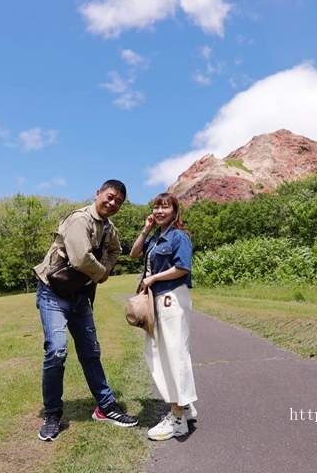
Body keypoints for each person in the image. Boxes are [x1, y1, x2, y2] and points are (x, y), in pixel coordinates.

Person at [32, 179, 138, 441]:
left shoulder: (108, 228)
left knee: (91, 352)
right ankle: (53, 413)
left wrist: (108, 267)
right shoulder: (80, 219)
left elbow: (116, 249)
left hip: (80, 297)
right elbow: (79, 259)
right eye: (110, 197)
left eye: (119, 202)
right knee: (56, 351)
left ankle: (106, 407)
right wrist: (102, 273)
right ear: (98, 193)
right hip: (54, 294)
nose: (113, 204)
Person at [129, 192, 198, 441]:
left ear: (174, 211)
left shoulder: (178, 236)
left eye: (165, 207)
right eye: (156, 207)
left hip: (171, 298)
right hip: (158, 301)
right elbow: (134, 254)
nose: (159, 211)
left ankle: (177, 418)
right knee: (160, 353)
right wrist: (146, 230)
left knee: (173, 354)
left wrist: (154, 278)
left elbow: (183, 267)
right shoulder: (157, 237)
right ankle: (184, 407)